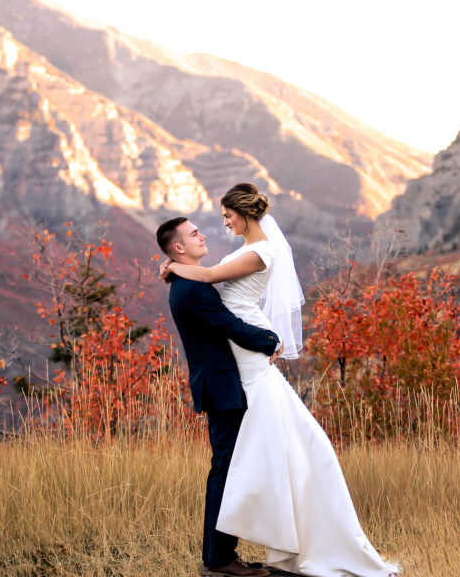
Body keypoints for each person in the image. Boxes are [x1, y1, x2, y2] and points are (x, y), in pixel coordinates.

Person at [160, 183, 399, 577]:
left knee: (280, 450)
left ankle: (266, 550)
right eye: (214, 222)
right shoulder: (237, 254)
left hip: (247, 353)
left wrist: (172, 267)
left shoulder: (261, 251)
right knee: (263, 455)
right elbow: (208, 283)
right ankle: (242, 554)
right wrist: (174, 267)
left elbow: (209, 277)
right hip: (239, 358)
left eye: (226, 216)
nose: (220, 224)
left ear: (244, 213)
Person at [156, 215, 282, 577]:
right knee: (225, 471)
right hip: (222, 385)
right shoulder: (192, 288)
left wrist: (172, 268)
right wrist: (270, 340)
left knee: (229, 468)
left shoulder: (185, 280)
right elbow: (230, 326)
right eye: (194, 234)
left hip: (221, 382)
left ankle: (222, 555)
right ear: (178, 248)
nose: (202, 235)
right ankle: (219, 560)